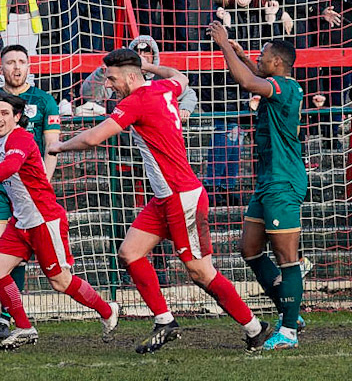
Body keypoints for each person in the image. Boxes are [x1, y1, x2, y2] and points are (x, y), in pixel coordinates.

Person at [49, 48, 271, 354]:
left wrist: (59, 147)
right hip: (165, 198)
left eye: (112, 78)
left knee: (200, 272)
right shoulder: (162, 87)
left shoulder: (136, 101)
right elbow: (180, 76)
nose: (109, 84)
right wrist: (148, 65)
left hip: (182, 197)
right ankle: (165, 321)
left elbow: (92, 138)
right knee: (129, 253)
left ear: (129, 77)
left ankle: (254, 328)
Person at [0, 93, 119, 350]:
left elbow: (10, 167)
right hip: (22, 222)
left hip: (44, 220)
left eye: (5, 113)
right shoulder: (3, 138)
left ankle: (108, 310)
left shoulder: (22, 138)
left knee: (60, 281)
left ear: (17, 117)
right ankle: (24, 327)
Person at [208, 22, 307, 350]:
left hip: (283, 181)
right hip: (267, 181)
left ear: (278, 63)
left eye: (262, 56)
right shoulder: (278, 83)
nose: (259, 58)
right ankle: (290, 309)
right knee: (249, 249)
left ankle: (289, 331)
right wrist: (239, 54)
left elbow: (248, 81)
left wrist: (224, 45)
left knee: (286, 257)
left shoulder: (286, 88)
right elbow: (256, 76)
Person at [0, 45, 60, 339]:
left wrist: (41, 182)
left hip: (29, 189)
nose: (16, 68)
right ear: (1, 68)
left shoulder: (44, 100)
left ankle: (8, 315)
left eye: (21, 62)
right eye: (10, 63)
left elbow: (52, 147)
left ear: (29, 66)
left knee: (21, 256)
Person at [201, 0, 283, 203]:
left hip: (255, 86)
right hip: (225, 88)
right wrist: (226, 26)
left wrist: (271, 20)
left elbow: (274, 50)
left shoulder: (264, 12)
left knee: (237, 136)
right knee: (227, 132)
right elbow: (218, 50)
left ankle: (227, 186)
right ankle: (215, 185)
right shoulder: (219, 15)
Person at [79, 35, 197, 121]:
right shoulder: (118, 79)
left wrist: (185, 109)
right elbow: (88, 95)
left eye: (147, 52)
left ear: (153, 55)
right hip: (122, 139)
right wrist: (101, 72)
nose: (142, 56)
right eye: (138, 52)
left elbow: (188, 92)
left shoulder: (161, 79)